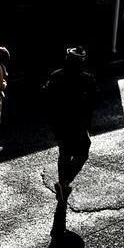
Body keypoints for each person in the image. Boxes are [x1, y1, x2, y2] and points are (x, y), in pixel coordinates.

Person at [43, 46, 96, 203]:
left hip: (58, 123)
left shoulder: (55, 76)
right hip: (78, 123)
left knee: (64, 153)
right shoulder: (87, 79)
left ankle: (62, 184)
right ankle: (64, 183)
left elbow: (47, 100)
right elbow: (92, 103)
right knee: (83, 152)